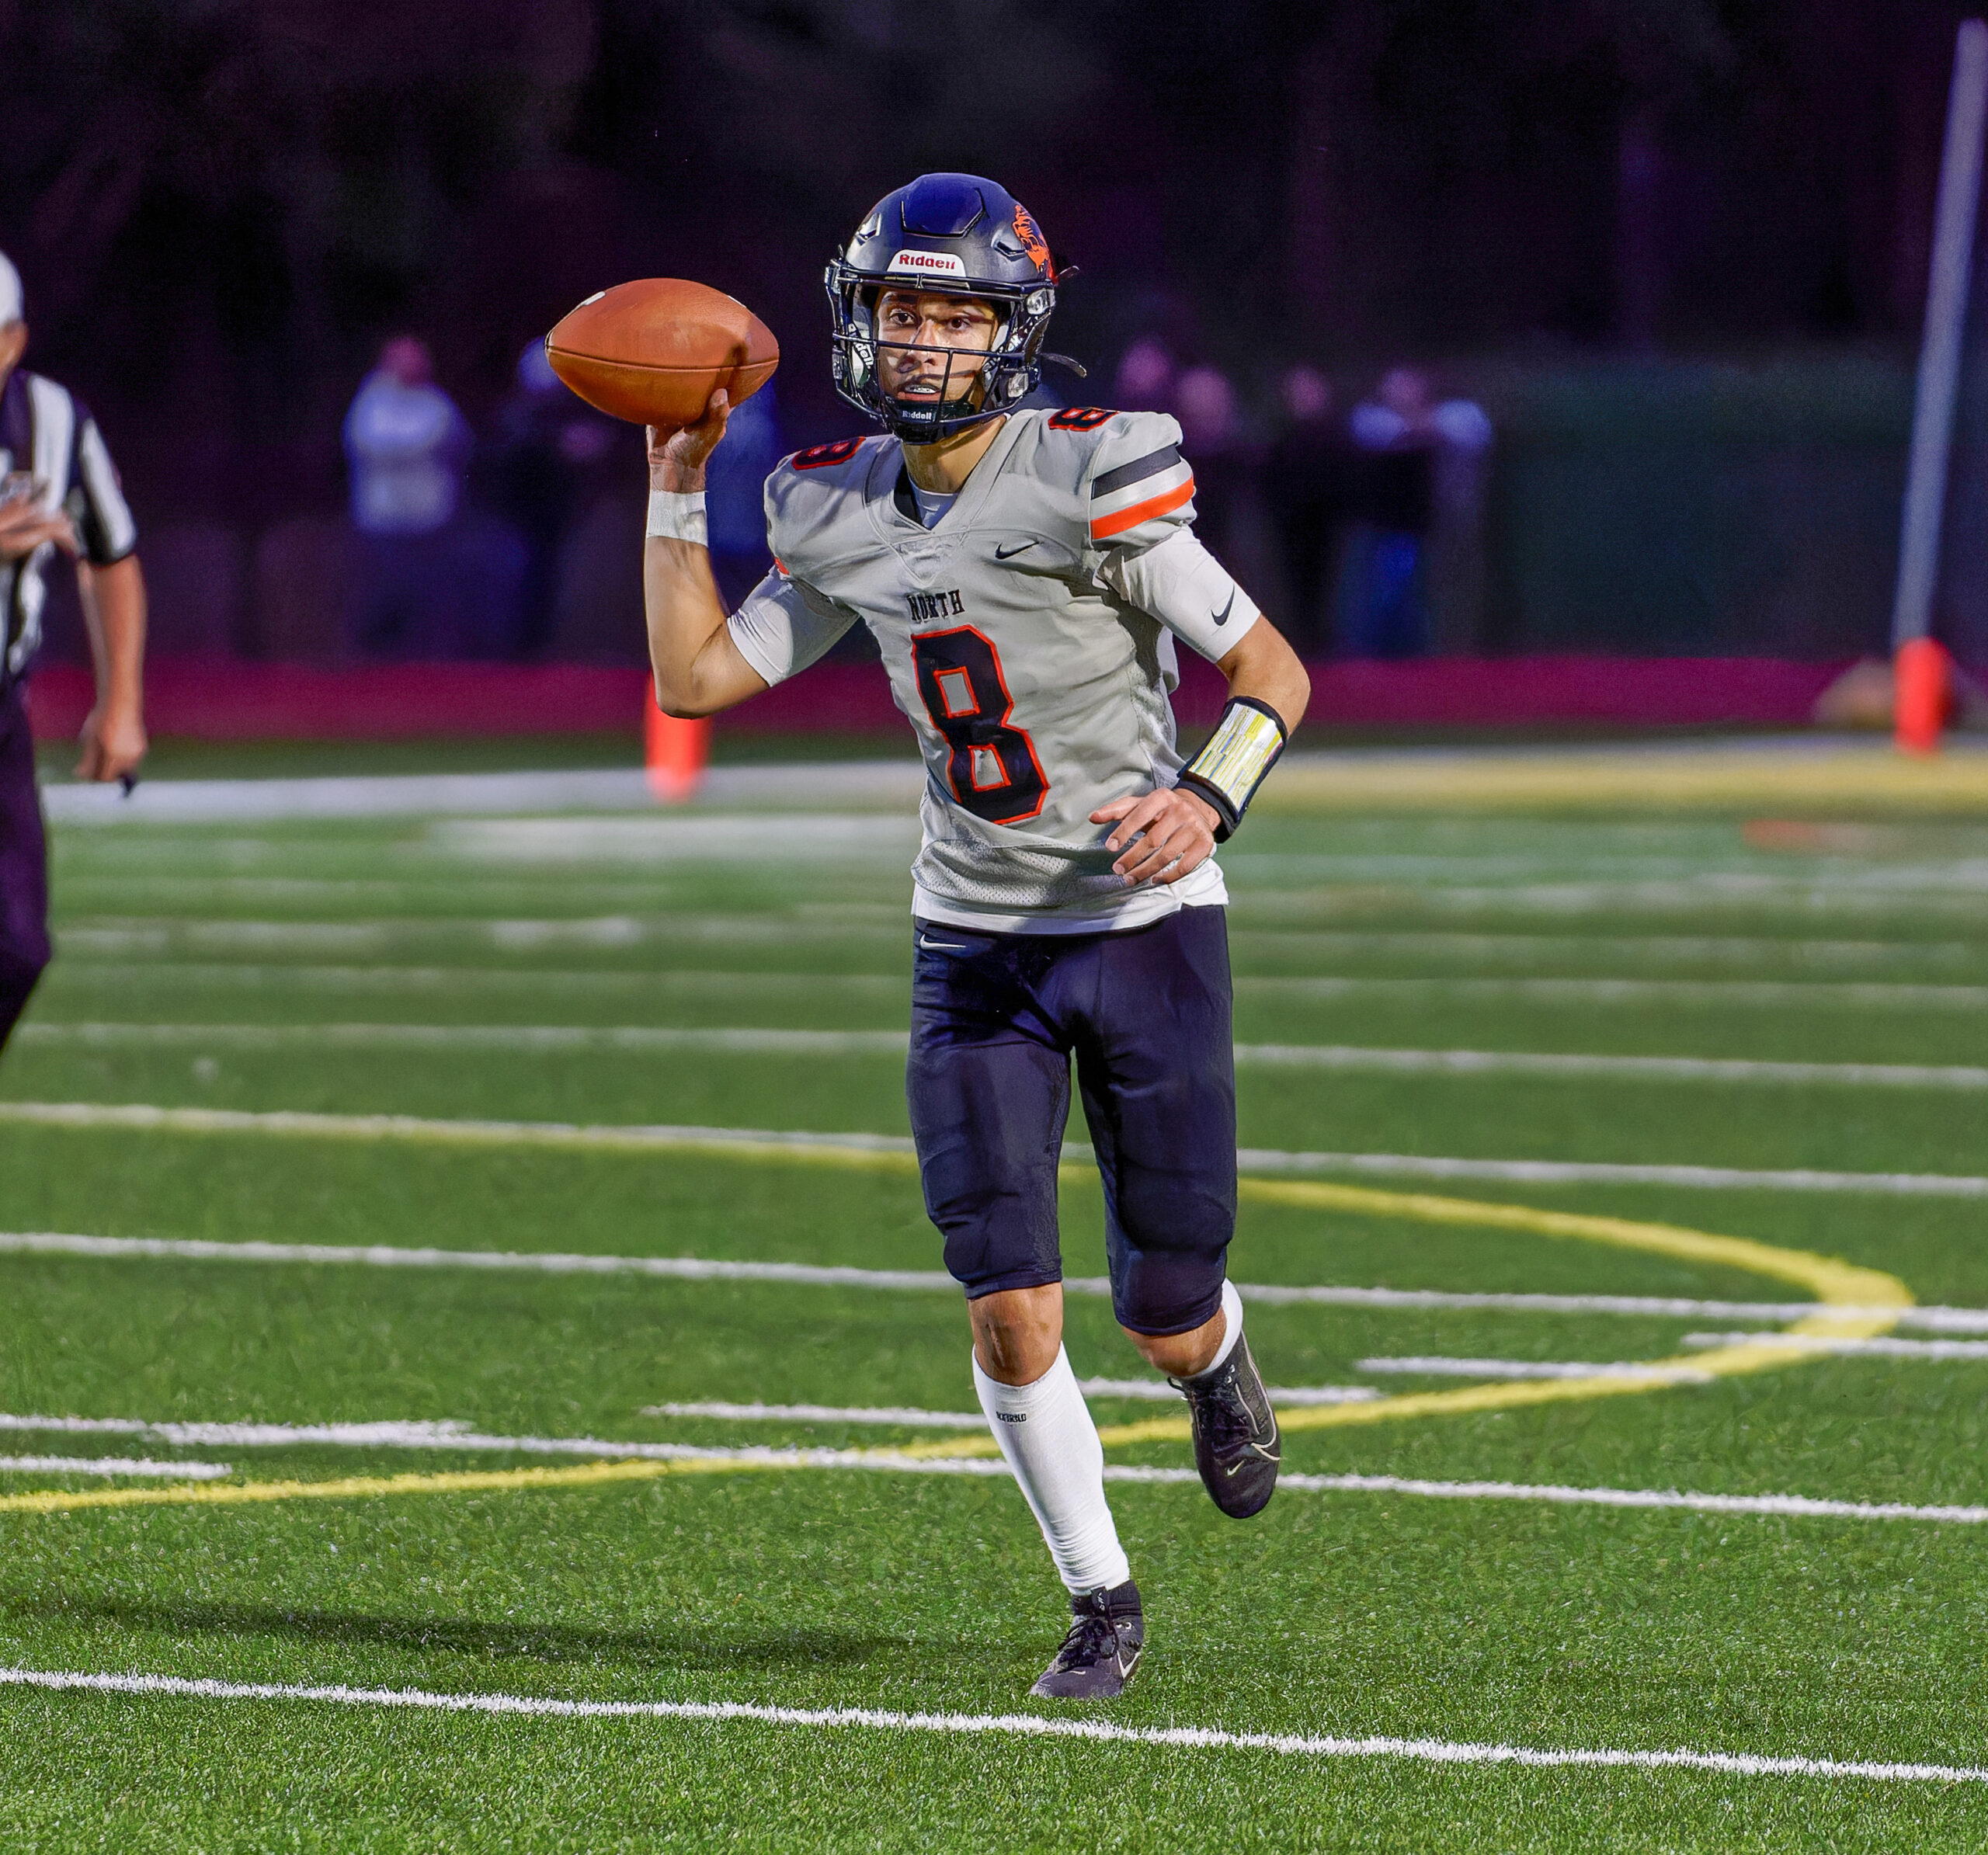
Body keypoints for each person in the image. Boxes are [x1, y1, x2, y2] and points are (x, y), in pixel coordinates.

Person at [638, 173, 1309, 1700]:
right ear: (855, 320)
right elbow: (691, 680)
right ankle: (1099, 1597)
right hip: (974, 944)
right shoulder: (824, 501)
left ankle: (1211, 1365)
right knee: (1005, 1298)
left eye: (954, 314)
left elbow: (1271, 668)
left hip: (1141, 923)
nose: (923, 343)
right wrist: (672, 486)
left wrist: (1205, 799)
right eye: (899, 311)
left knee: (1159, 1302)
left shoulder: (1094, 474)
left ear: (1012, 330)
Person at [0, 248, 147, 1054]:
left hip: (0, 706)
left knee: (17, 948)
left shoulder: (55, 423)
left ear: (13, 341)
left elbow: (111, 553)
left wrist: (120, 701)